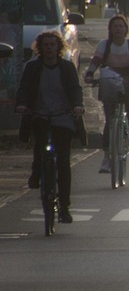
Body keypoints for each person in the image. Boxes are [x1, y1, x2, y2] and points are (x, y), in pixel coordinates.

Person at [15, 30, 87, 223]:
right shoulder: (32, 68)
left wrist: (78, 106)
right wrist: (22, 105)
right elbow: (24, 89)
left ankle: (64, 207)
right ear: (40, 48)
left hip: (62, 117)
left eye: (52, 45)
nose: (49, 48)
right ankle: (36, 171)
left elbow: (75, 89)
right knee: (40, 147)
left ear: (59, 47)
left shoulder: (67, 68)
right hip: (39, 115)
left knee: (63, 162)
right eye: (45, 45)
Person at [84, 14, 129, 167]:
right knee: (109, 120)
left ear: (126, 29)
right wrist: (89, 74)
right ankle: (107, 157)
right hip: (110, 80)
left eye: (121, 26)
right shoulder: (104, 45)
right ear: (110, 29)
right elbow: (95, 61)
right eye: (115, 26)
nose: (118, 29)